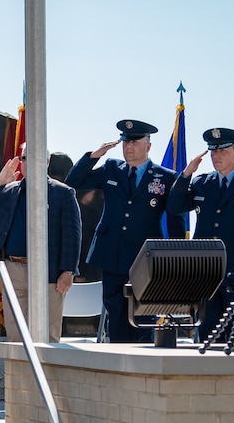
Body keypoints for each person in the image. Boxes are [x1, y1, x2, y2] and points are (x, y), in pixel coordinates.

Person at [65, 119, 188, 343]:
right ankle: (119, 363)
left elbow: (175, 220)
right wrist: (95, 155)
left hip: (146, 258)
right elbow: (74, 180)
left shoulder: (166, 178)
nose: (128, 147)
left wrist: (176, 257)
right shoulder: (111, 168)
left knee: (145, 317)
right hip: (112, 254)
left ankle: (142, 368)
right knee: (117, 314)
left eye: (134, 142)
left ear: (148, 146)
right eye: (125, 142)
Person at [168, 128, 234, 343]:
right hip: (205, 270)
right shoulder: (201, 183)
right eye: (213, 151)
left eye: (222, 151)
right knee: (207, 331)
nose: (216, 156)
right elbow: (174, 207)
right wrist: (186, 174)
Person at [0, 143, 82, 342]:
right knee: (16, 336)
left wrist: (68, 271)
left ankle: (46, 374)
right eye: (24, 158)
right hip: (13, 269)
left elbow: (72, 235)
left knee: (48, 337)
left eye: (34, 157)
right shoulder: (7, 191)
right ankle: (20, 374)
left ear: (47, 162)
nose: (27, 162)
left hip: (48, 273)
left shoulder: (63, 193)